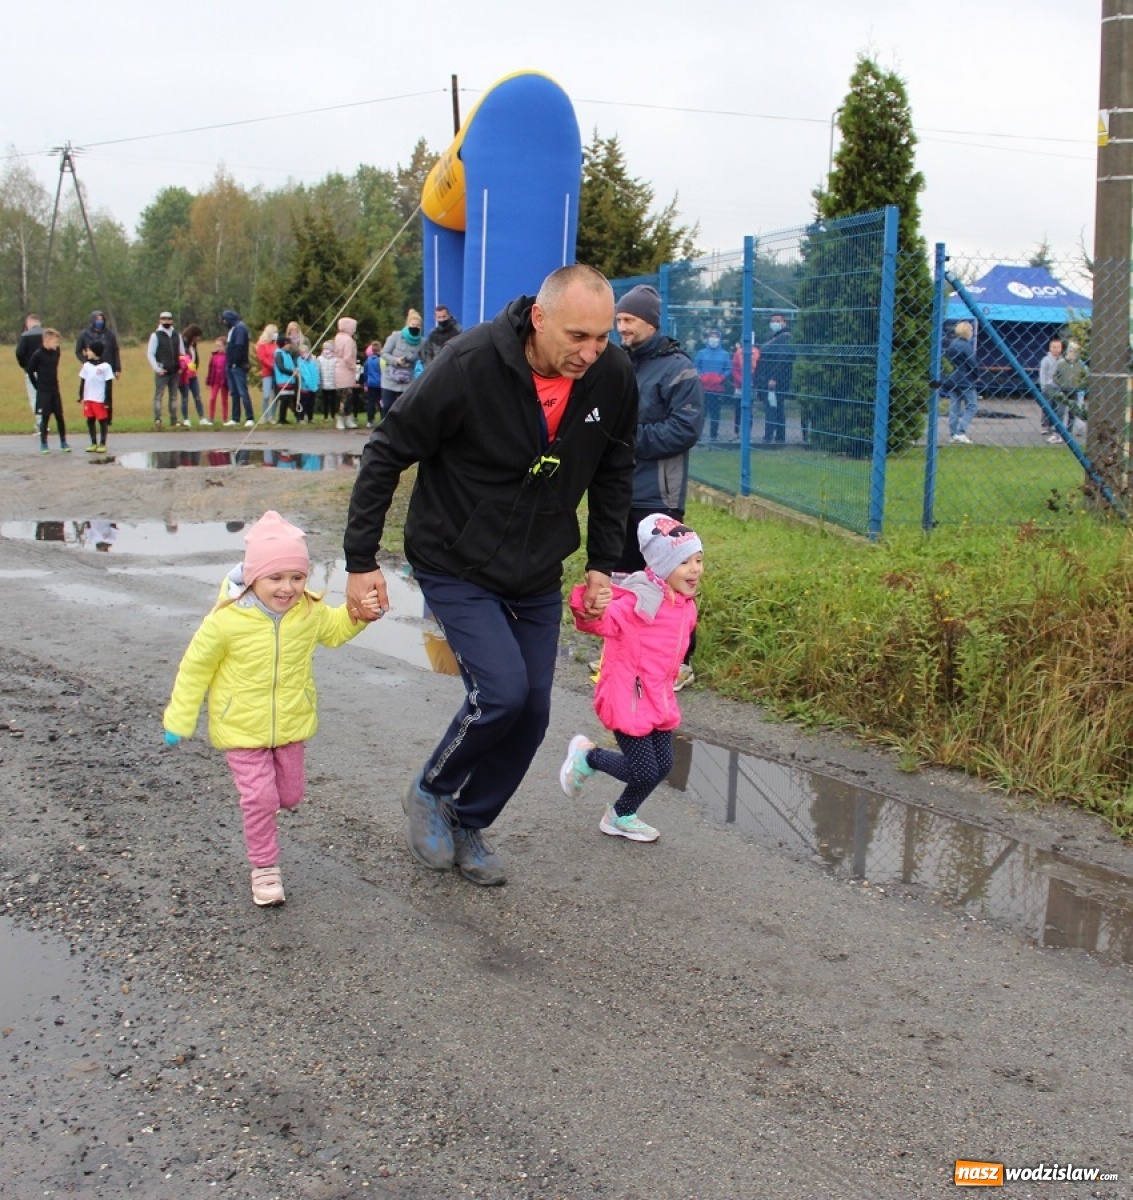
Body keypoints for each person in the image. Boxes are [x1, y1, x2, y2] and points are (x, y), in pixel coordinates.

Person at [342, 263, 638, 887]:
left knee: (531, 713)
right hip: (455, 557)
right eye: (577, 336)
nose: (590, 352)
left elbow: (614, 470)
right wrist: (361, 560)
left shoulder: (611, 377)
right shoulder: (470, 363)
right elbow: (387, 449)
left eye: (602, 337)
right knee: (499, 693)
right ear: (539, 317)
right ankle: (430, 789)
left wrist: (602, 566)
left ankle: (467, 818)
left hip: (535, 567)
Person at [162, 511, 382, 907]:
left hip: (291, 724)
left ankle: (267, 811)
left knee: (291, 795)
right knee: (261, 799)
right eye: (275, 578)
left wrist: (360, 615)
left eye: (296, 577)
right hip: (240, 727)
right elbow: (194, 669)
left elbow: (334, 631)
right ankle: (265, 870)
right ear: (253, 578)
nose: (287, 588)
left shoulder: (308, 613)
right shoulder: (225, 622)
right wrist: (180, 717)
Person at [560, 514, 702, 843]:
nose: (695, 569)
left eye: (698, 559)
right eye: (684, 562)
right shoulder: (637, 603)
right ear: (662, 564)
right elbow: (598, 621)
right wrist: (589, 603)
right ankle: (587, 757)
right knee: (644, 770)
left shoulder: (685, 606)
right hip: (628, 698)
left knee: (663, 764)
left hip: (658, 698)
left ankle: (620, 816)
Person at [609, 283, 703, 690]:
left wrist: (626, 440)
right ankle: (630, 655)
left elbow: (684, 429)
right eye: (618, 320)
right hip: (619, 491)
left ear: (649, 322)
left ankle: (678, 662)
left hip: (659, 497)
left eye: (628, 320)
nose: (621, 328)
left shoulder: (679, 369)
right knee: (623, 578)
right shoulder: (620, 364)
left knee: (667, 581)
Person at [74, 310, 122, 425]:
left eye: (101, 319)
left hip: (107, 366)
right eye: (97, 319)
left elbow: (115, 351)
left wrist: (117, 368)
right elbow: (78, 350)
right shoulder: (85, 334)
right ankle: (92, 416)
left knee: (107, 392)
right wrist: (86, 361)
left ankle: (107, 418)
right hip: (91, 368)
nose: (99, 322)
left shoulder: (109, 334)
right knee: (92, 393)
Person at [27, 327, 70, 454]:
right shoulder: (38, 354)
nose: (57, 345)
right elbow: (30, 370)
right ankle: (44, 443)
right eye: (55, 342)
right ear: (46, 340)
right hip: (43, 390)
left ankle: (63, 441)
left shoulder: (56, 352)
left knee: (59, 416)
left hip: (54, 388)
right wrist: (37, 386)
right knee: (45, 418)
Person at [379, 309, 425, 417]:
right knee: (388, 406)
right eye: (413, 325)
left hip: (408, 379)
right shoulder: (396, 336)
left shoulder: (422, 342)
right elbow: (384, 353)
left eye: (418, 325)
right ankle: (385, 430)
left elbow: (424, 359)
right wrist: (396, 360)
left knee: (406, 408)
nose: (415, 327)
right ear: (407, 325)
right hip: (390, 378)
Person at [756, 313, 794, 443]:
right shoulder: (773, 338)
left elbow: (782, 360)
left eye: (778, 320)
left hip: (776, 381)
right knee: (774, 408)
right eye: (772, 321)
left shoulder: (785, 338)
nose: (774, 323)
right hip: (767, 379)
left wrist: (774, 378)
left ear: (785, 322)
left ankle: (771, 436)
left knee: (773, 408)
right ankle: (778, 436)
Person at [942, 320, 979, 445]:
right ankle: (961, 432)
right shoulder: (966, 346)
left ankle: (953, 434)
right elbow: (972, 363)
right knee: (972, 406)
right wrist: (976, 376)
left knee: (954, 407)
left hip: (953, 378)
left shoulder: (952, 345)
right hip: (966, 379)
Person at [147, 311, 186, 429]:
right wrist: (157, 368)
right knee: (159, 396)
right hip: (162, 371)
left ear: (172, 320)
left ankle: (174, 420)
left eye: (168, 319)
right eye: (164, 319)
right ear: (160, 320)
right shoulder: (156, 335)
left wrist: (182, 366)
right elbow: (150, 354)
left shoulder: (176, 335)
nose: (166, 321)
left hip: (174, 371)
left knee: (173, 396)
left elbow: (182, 353)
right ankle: (158, 419)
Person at [693, 328, 731, 442]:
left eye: (716, 337)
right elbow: (695, 366)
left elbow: (728, 369)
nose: (713, 339)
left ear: (720, 339)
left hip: (717, 388)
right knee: (702, 413)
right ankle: (698, 436)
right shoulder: (701, 353)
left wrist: (721, 377)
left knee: (715, 414)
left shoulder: (725, 354)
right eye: (712, 336)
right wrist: (701, 376)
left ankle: (713, 436)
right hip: (703, 388)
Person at [79, 339, 114, 453]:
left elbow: (109, 384)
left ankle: (102, 443)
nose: (87, 353)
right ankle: (93, 442)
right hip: (89, 398)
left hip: (99, 399)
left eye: (89, 350)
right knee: (90, 420)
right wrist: (81, 395)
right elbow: (83, 381)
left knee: (102, 420)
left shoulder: (105, 367)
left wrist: (107, 400)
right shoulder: (86, 366)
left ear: (95, 352)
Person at [221, 309, 254, 427]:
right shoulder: (233, 329)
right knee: (234, 392)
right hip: (230, 365)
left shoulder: (239, 328)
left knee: (242, 391)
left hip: (238, 365)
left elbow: (239, 347)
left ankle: (250, 417)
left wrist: (235, 362)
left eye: (225, 320)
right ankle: (235, 418)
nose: (224, 322)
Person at [1053, 340, 1088, 442]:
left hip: (1074, 391)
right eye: (1072, 351)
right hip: (1063, 390)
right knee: (1060, 411)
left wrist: (1080, 384)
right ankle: (1057, 432)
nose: (1074, 353)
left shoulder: (1080, 364)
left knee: (1072, 412)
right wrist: (1061, 383)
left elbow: (1085, 376)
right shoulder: (1061, 363)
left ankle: (1068, 432)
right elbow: (1055, 376)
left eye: (1076, 351)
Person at [16, 314, 44, 426]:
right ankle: (44, 420)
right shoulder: (47, 334)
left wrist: (25, 366)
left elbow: (19, 352)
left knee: (34, 396)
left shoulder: (25, 335)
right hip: (46, 371)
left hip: (31, 370)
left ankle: (40, 423)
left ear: (29, 323)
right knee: (45, 396)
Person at [332, 317, 359, 429]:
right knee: (347, 396)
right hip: (346, 370)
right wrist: (354, 367)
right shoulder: (349, 340)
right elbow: (348, 357)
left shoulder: (337, 338)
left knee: (340, 396)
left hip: (338, 368)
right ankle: (344, 418)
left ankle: (343, 419)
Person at [179, 324, 206, 426]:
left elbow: (195, 358)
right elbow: (184, 358)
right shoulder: (182, 344)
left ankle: (202, 418)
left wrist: (195, 369)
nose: (198, 339)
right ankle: (186, 419)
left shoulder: (193, 345)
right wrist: (190, 369)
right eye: (197, 336)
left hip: (193, 375)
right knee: (185, 397)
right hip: (185, 374)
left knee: (197, 396)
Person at [421, 303, 462, 367]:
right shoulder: (432, 333)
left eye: (444, 317)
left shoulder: (457, 330)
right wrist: (430, 368)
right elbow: (428, 354)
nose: (442, 320)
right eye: (439, 317)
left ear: (449, 315)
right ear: (435, 318)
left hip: (453, 366)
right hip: (437, 368)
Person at [1038, 336, 1063, 441]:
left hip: (1058, 387)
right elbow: (1042, 373)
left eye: (1058, 347)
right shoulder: (1046, 360)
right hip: (1048, 387)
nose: (1056, 349)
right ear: (1049, 348)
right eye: (1053, 347)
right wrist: (1043, 386)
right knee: (1047, 407)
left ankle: (1054, 425)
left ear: (1061, 348)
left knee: (1056, 407)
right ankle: (1045, 425)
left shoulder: (1062, 361)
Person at [271, 333, 299, 424]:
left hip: (289, 380)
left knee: (289, 399)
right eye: (288, 344)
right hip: (282, 380)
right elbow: (280, 367)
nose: (289, 346)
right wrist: (292, 372)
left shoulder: (287, 354)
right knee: (284, 399)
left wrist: (294, 370)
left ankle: (286, 418)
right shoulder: (278, 354)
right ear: (283, 344)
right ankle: (281, 419)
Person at [255, 324, 279, 421]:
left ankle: (272, 416)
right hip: (267, 373)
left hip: (276, 373)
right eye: (274, 333)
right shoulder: (262, 345)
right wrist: (272, 366)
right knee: (266, 395)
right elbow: (262, 359)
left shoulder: (276, 345)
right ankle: (264, 416)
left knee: (275, 395)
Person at [206, 335, 230, 425]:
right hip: (215, 380)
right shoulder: (214, 357)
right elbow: (210, 369)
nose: (218, 348)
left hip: (224, 381)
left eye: (220, 346)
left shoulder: (227, 356)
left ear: (224, 346)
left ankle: (225, 418)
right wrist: (208, 381)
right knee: (212, 398)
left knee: (224, 400)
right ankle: (211, 417)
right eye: (217, 346)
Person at [297, 343, 320, 423]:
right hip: (305, 387)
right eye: (302, 353)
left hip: (313, 386)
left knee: (311, 403)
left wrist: (317, 382)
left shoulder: (312, 362)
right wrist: (308, 383)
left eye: (306, 352)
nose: (305, 354)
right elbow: (304, 373)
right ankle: (301, 418)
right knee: (304, 403)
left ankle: (310, 418)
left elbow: (315, 372)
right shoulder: (300, 362)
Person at [362, 341, 383, 427]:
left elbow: (365, 373)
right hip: (380, 383)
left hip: (371, 383)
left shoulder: (368, 360)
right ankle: (383, 418)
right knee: (381, 402)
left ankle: (369, 420)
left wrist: (365, 383)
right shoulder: (381, 360)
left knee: (371, 402)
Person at [317, 340, 338, 422]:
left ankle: (332, 416)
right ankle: (325, 416)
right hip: (324, 382)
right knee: (325, 401)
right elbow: (318, 371)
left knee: (333, 400)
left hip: (333, 382)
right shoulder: (320, 358)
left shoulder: (335, 358)